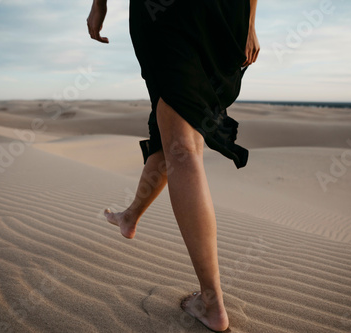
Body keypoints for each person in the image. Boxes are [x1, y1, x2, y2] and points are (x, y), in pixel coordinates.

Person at [87, 0, 259, 331]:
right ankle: (130, 216)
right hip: (225, 12)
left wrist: (99, 4)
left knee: (181, 142)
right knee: (172, 118)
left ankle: (211, 304)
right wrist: (250, 21)